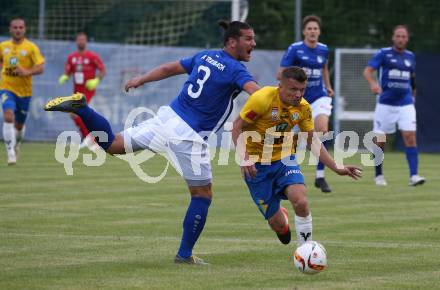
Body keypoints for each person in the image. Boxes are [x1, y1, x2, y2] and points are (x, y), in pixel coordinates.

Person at [44, 21, 260, 265]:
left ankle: (82, 108)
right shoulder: (236, 69)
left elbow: (169, 68)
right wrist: (277, 101)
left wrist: (142, 79)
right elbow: (257, 93)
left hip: (165, 119)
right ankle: (185, 255)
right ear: (232, 42)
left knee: (113, 143)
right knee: (202, 195)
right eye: (248, 39)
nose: (253, 43)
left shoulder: (206, 56)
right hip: (189, 136)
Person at [232, 66, 361, 246]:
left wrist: (336, 167)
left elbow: (312, 141)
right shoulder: (262, 99)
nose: (298, 94)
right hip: (256, 167)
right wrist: (244, 156)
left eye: (302, 90)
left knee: (300, 200)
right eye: (293, 89)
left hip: (284, 159)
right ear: (280, 86)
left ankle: (305, 250)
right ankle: (281, 220)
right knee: (278, 227)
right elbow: (237, 127)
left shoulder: (303, 108)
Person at [278, 15, 334, 193]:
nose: (312, 31)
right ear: (304, 31)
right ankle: (282, 172)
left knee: (322, 129)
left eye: (315, 29)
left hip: (319, 97)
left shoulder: (324, 49)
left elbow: (324, 68)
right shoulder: (295, 49)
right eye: (309, 28)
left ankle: (320, 175)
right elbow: (280, 73)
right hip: (297, 99)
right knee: (287, 137)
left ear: (319, 31)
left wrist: (329, 87)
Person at [363, 25, 425, 186]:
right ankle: (378, 176)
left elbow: (412, 80)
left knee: (410, 138)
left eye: (403, 36)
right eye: (398, 36)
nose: (401, 39)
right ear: (393, 37)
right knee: (380, 141)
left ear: (407, 39)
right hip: (385, 104)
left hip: (405, 104)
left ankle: (414, 176)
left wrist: (413, 97)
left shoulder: (410, 56)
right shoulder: (384, 53)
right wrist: (373, 84)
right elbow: (368, 71)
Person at [0, 18, 45, 165]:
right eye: (15, 27)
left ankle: (17, 143)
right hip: (7, 88)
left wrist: (26, 72)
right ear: (10, 29)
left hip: (25, 92)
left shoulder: (31, 47)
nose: (18, 30)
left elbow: (41, 67)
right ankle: (10, 152)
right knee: (8, 116)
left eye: (20, 27)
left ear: (24, 29)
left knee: (19, 126)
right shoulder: (3, 46)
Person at [58, 32, 106, 149]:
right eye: (79, 40)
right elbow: (68, 71)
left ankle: (89, 138)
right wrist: (65, 76)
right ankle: (90, 140)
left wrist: (96, 80)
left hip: (88, 90)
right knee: (75, 114)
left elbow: (103, 70)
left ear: (86, 41)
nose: (81, 42)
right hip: (77, 90)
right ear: (76, 41)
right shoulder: (71, 58)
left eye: (83, 40)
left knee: (75, 113)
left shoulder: (92, 56)